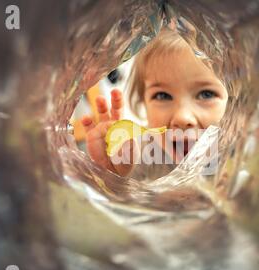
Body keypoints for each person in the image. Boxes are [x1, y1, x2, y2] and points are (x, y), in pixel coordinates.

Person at [81, 28, 228, 180]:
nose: (183, 118)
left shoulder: (240, 156)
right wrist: (113, 175)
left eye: (206, 94)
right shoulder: (138, 156)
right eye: (163, 95)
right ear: (144, 103)